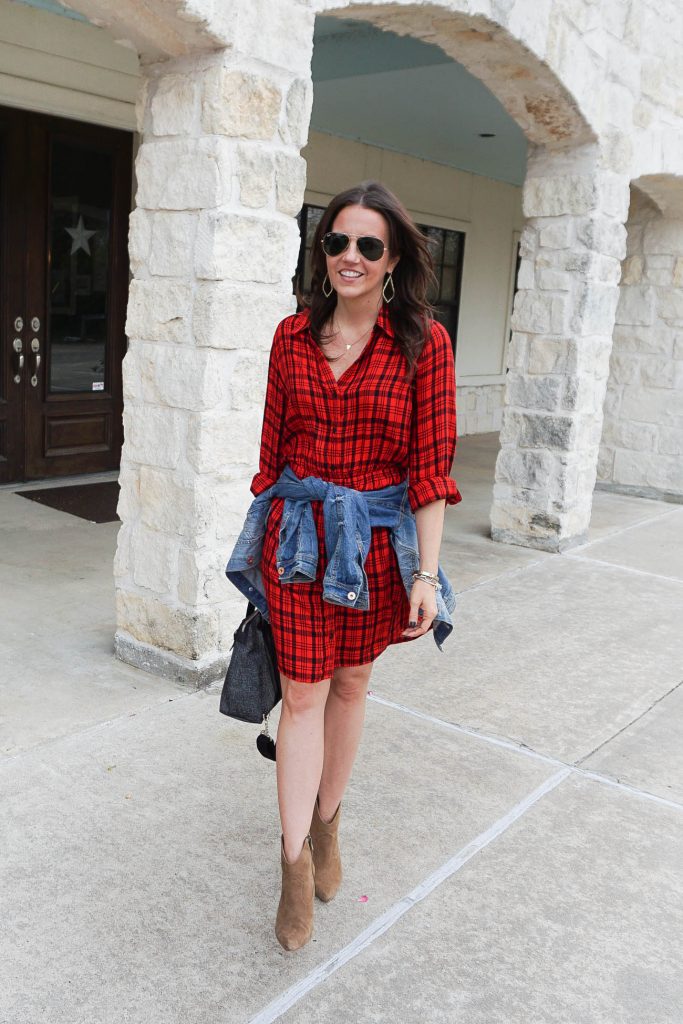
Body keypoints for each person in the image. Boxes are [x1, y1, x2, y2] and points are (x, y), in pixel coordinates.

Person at [229, 180, 462, 950]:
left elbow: (430, 469)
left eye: (368, 245)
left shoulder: (425, 344)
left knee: (352, 685)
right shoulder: (291, 336)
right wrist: (255, 558)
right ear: (321, 251)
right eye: (337, 242)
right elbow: (269, 460)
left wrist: (426, 576)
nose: (350, 257)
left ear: (392, 258)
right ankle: (294, 863)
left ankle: (328, 823)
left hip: (375, 551)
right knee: (301, 697)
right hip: (295, 547)